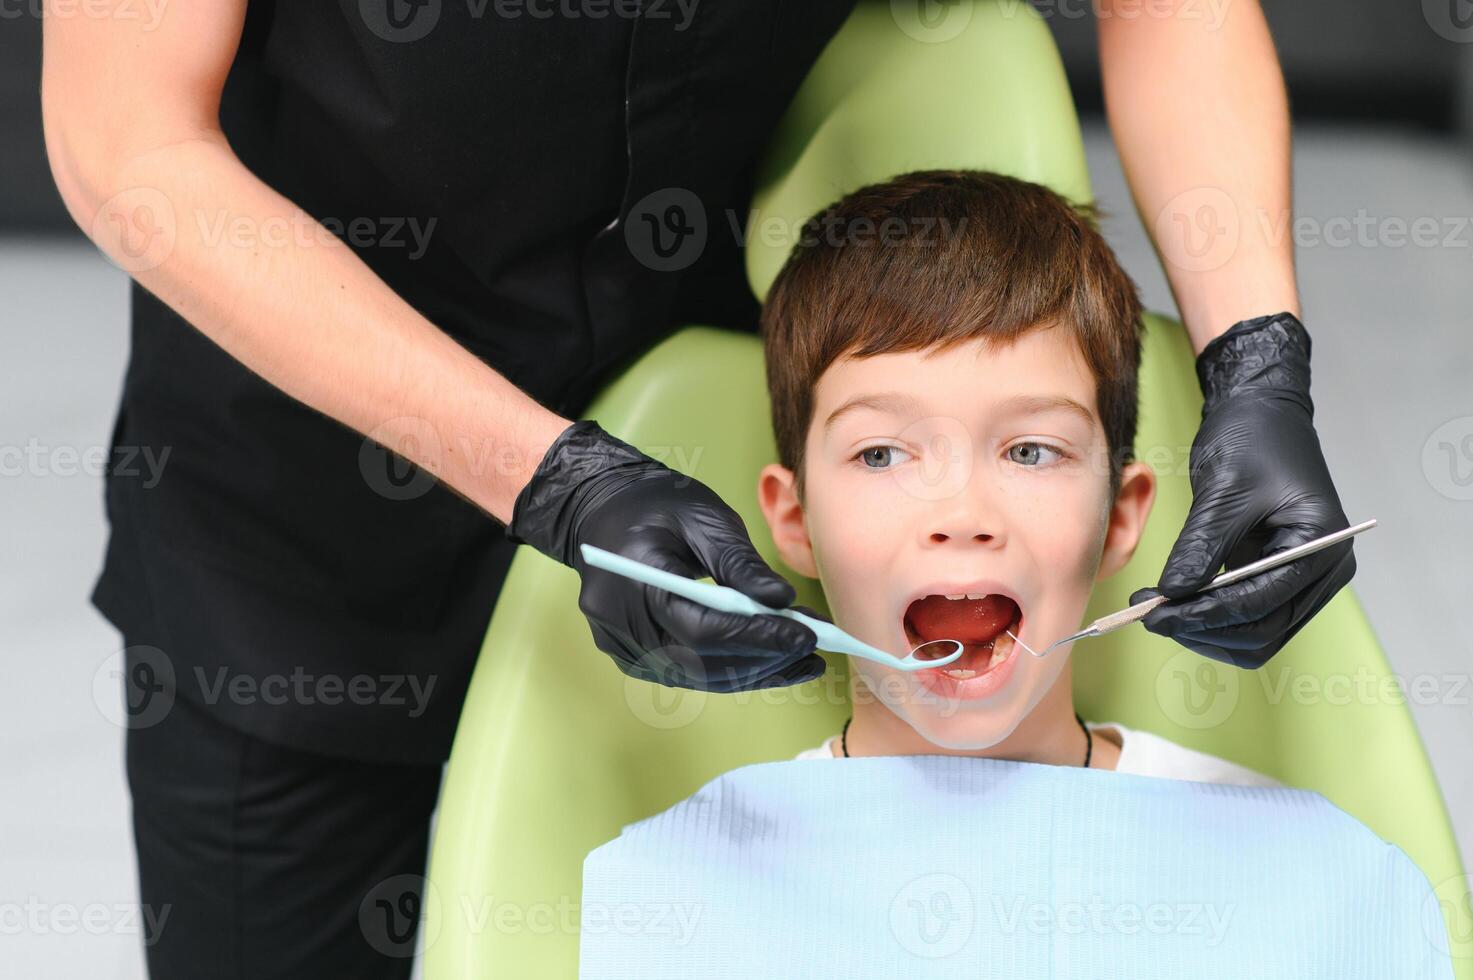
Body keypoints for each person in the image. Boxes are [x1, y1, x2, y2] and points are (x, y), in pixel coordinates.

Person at [39, 0, 1348, 974]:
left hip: (697, 469)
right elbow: (124, 137)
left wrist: (1258, 358)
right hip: (303, 500)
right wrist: (551, 481)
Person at [754, 167, 1279, 783]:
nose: (962, 515)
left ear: (1118, 517)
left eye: (1029, 451)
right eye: (881, 454)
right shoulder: (689, 870)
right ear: (796, 521)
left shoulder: (1291, 858)